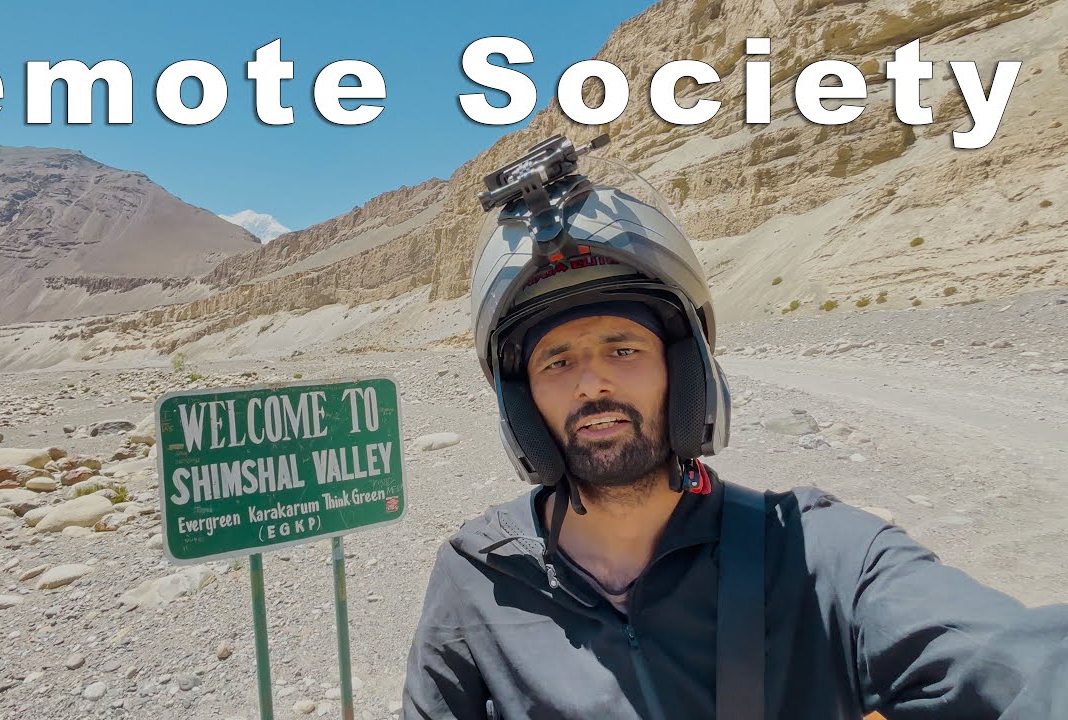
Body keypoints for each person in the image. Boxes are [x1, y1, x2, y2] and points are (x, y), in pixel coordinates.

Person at [401, 136, 1068, 720]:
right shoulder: (477, 578)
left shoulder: (815, 555)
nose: (592, 383)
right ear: (522, 402)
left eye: (624, 349)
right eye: (558, 360)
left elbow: (1012, 663)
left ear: (686, 372)